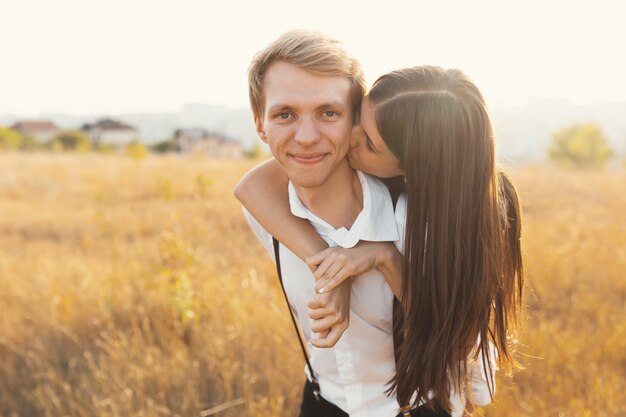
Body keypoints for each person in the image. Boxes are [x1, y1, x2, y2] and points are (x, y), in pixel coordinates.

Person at [236, 61, 524, 415]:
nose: (349, 140)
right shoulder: (282, 204)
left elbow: (455, 337)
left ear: (408, 168)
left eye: (369, 144)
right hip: (322, 402)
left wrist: (387, 259)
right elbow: (251, 186)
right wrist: (328, 268)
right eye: (357, 118)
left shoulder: (431, 225)